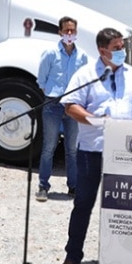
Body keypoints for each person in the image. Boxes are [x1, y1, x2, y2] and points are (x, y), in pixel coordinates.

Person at [52, 28, 132, 264]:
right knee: (83, 204)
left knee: (124, 208)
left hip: (127, 153)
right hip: (93, 151)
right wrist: (94, 119)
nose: (122, 51)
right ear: (102, 50)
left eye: (122, 46)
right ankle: (72, 257)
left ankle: (123, 259)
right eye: (117, 48)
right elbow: (70, 106)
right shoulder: (87, 74)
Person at [35, 16, 89, 201]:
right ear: (60, 32)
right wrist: (52, 95)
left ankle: (73, 186)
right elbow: (41, 80)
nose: (69, 33)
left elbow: (84, 80)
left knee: (72, 149)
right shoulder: (50, 53)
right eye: (66, 30)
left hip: (73, 106)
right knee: (49, 147)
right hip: (53, 104)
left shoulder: (82, 56)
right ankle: (43, 186)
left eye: (72, 30)